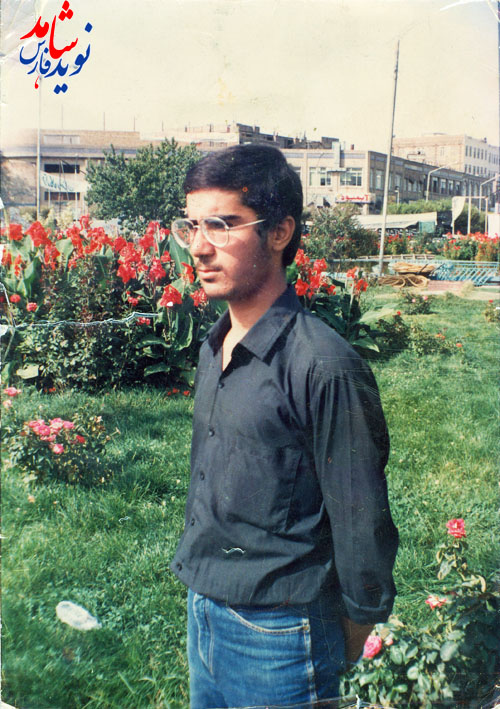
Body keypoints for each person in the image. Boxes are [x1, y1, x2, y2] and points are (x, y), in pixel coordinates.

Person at [170, 144, 398, 709]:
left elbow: (362, 521)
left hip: (281, 637)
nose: (198, 246)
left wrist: (351, 636)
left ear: (279, 232)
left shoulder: (323, 366)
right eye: (192, 225)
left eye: (222, 225)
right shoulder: (216, 345)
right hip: (204, 612)